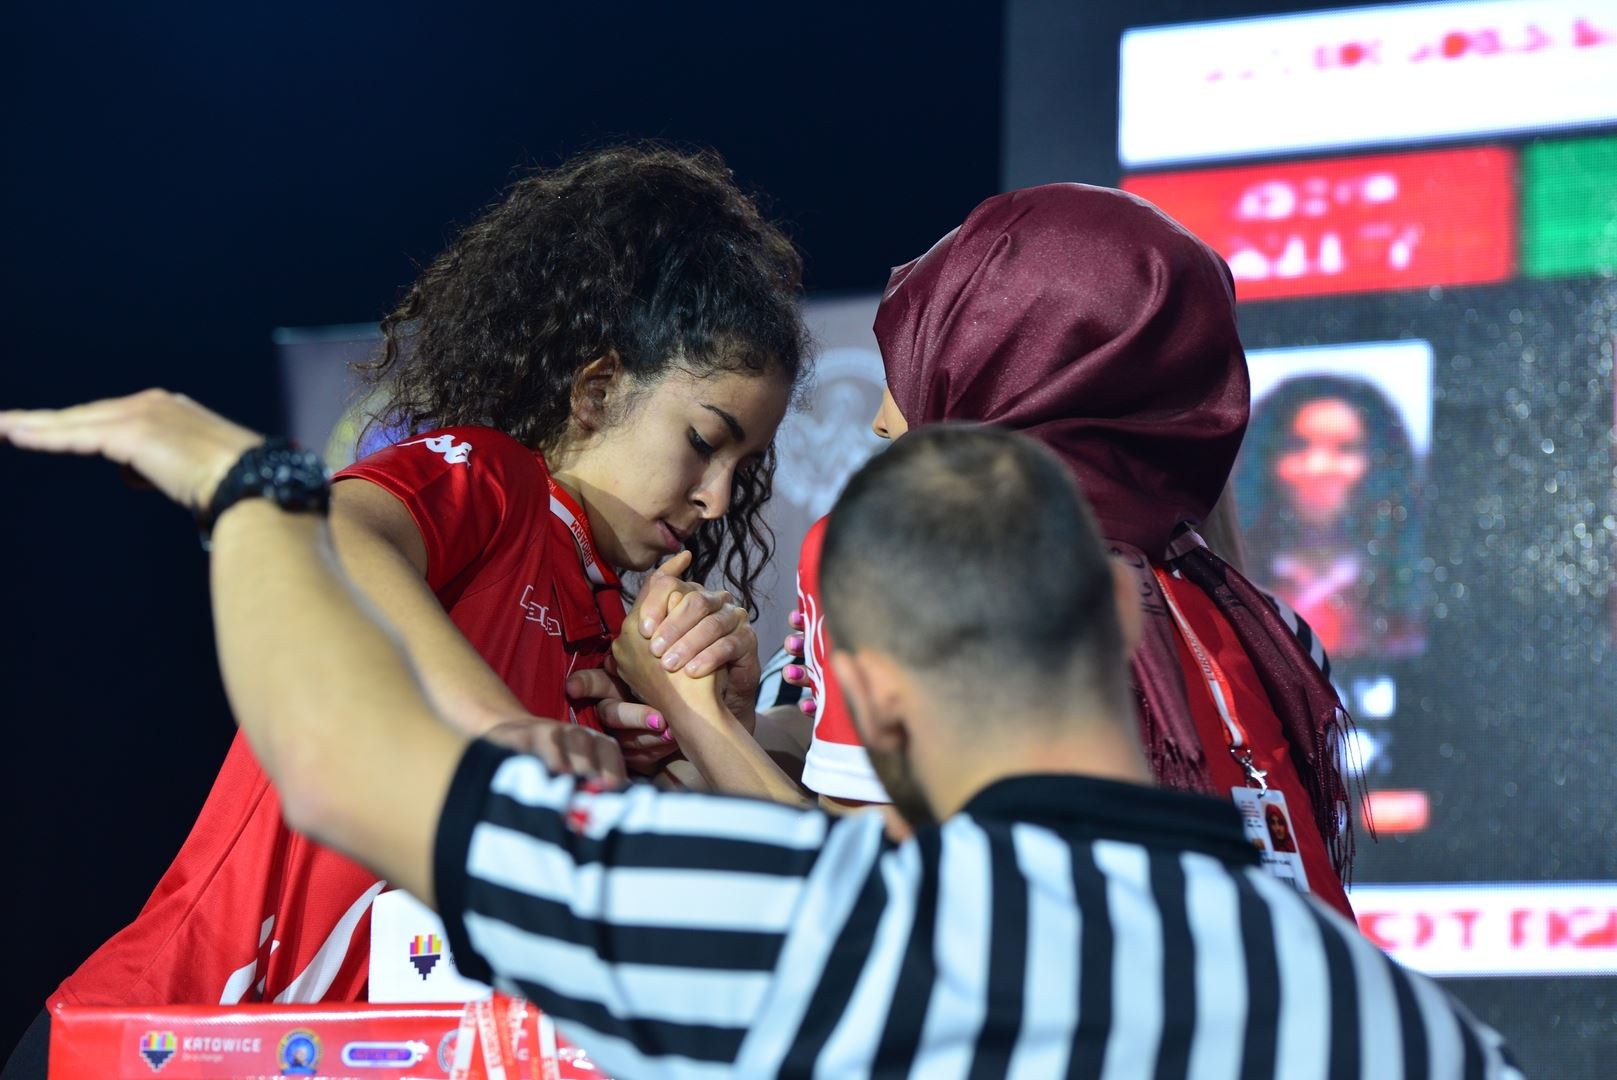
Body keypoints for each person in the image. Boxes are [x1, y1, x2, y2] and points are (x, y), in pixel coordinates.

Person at [0, 399, 1518, 1078]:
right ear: (1123, 623)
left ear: (868, 692)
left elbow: (337, 758)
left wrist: (250, 485)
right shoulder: (1392, 1021)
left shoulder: (811, 939)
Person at [9, 146, 808, 1070]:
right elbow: (337, 532)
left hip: (333, 1053)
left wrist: (712, 727)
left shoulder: (611, 636)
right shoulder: (498, 480)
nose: (716, 497)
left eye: (743, 467)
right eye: (704, 442)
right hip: (160, 1032)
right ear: (595, 391)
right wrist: (501, 727)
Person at [785, 184, 1361, 918]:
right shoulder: (1269, 629)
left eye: (917, 355)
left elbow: (871, 891)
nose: (879, 417)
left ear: (1008, 361)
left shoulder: (900, 551)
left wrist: (692, 712)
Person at [1232, 374, 1424, 660]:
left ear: (1379, 465)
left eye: (1345, 448)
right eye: (1297, 446)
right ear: (1266, 460)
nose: (1318, 467)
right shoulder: (1237, 581)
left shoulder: (1404, 593)